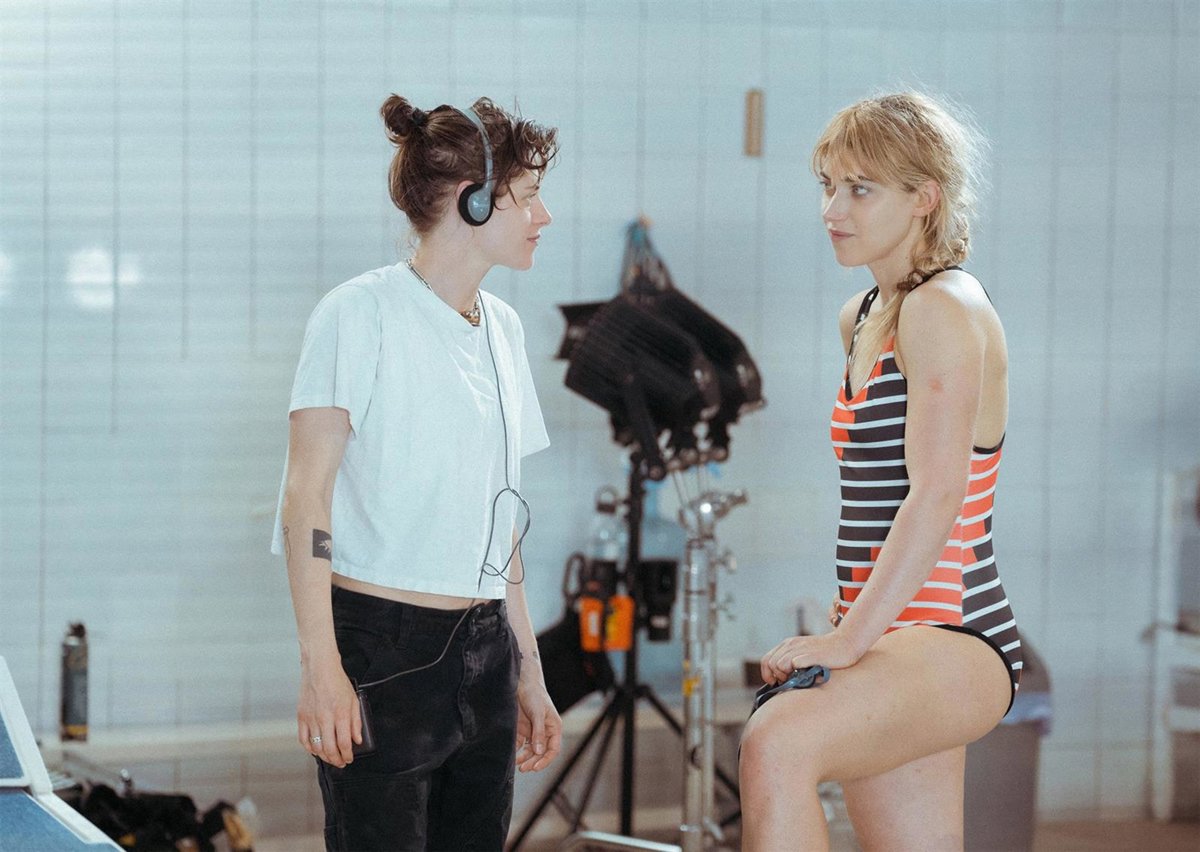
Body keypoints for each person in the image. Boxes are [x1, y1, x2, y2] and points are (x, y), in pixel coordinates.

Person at [270, 95, 562, 851]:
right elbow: (306, 498)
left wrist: (528, 670)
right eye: (529, 196)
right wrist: (321, 667)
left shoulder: (504, 329)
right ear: (473, 201)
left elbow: (502, 520)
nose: (545, 216)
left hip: (487, 646)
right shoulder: (357, 313)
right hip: (383, 648)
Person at [739, 92, 1024, 851]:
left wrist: (844, 642)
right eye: (828, 185)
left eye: (860, 189)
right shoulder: (864, 314)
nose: (833, 209)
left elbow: (937, 495)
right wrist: (855, 631)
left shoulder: (944, 306)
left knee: (777, 743)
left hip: (950, 632)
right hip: (886, 635)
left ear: (924, 197)